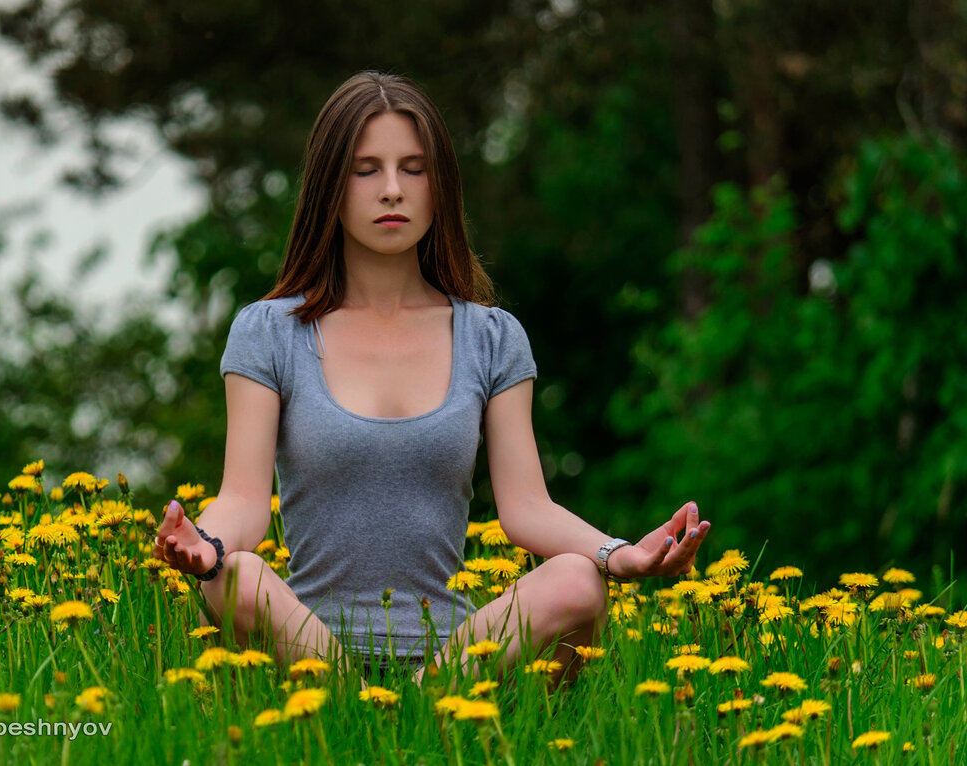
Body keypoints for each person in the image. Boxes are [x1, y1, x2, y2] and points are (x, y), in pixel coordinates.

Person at [152, 70, 711, 687]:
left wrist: (619, 554)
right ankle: (351, 703)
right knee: (234, 575)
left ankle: (420, 707)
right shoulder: (269, 331)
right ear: (328, 187)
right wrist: (205, 545)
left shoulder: (493, 338)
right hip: (305, 651)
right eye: (366, 169)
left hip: (457, 663)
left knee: (579, 580)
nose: (392, 190)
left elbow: (526, 509)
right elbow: (245, 502)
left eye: (412, 168)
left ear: (439, 185)